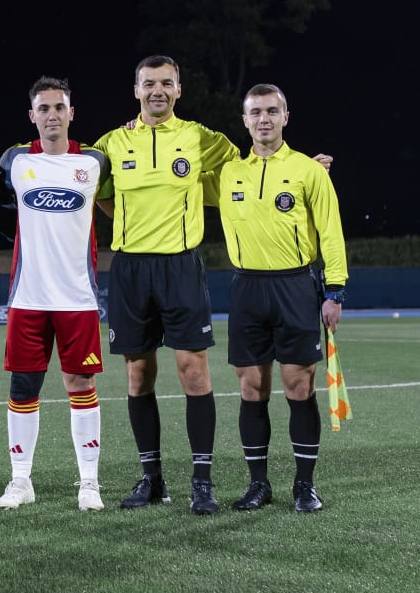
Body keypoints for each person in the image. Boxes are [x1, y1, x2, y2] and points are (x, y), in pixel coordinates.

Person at [93, 55, 241, 515]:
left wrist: (308, 168)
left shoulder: (199, 137)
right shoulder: (112, 143)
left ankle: (202, 481)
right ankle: (151, 478)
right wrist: (131, 228)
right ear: (135, 90)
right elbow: (93, 190)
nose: (157, 91)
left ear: (179, 90)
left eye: (166, 84)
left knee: (193, 371)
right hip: (131, 269)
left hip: (181, 266)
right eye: (148, 84)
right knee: (138, 375)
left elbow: (250, 163)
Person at [214, 84, 347, 513]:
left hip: (295, 286)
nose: (264, 119)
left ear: (286, 116)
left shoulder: (309, 171)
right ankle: (258, 485)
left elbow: (330, 230)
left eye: (272, 111)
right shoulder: (229, 172)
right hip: (247, 288)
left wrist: (335, 291)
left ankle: (304, 486)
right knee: (251, 387)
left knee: (298, 385)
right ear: (245, 120)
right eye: (256, 113)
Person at [0, 77, 110, 512]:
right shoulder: (15, 160)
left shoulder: (96, 161)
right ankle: (21, 481)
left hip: (78, 297)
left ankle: (89, 483)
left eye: (59, 107)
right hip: (28, 296)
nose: (52, 115)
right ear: (32, 115)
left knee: (81, 383)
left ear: (71, 112)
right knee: (24, 386)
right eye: (43, 108)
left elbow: (123, 202)